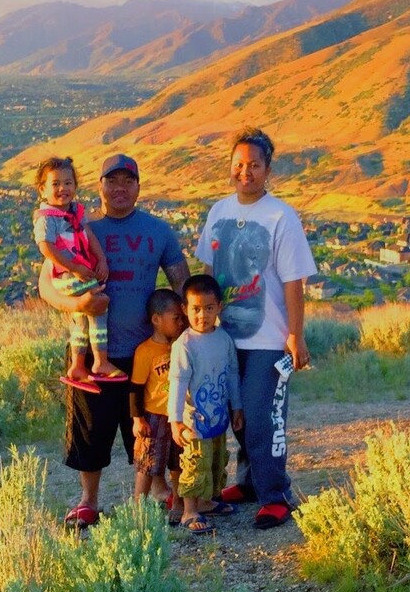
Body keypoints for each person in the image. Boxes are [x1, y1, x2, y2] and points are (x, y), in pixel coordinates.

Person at [38, 153, 190, 527]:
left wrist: (193, 334)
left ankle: (157, 489)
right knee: (90, 430)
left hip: (147, 353)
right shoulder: (75, 227)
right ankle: (89, 500)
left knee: (150, 429)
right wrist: (79, 302)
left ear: (138, 187)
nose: (120, 188)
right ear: (100, 186)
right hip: (92, 355)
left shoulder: (158, 232)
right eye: (112, 181)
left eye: (128, 181)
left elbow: (182, 285)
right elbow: (45, 287)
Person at [195, 128, 317, 529]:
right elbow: (209, 275)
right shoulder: (218, 212)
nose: (245, 172)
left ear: (268, 170)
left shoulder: (281, 215)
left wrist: (295, 335)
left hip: (269, 336)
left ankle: (274, 493)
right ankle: (248, 483)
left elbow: (293, 280)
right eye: (239, 165)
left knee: (264, 415)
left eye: (254, 165)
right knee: (239, 412)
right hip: (225, 335)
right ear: (230, 168)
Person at [33, 156, 124, 389]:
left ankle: (77, 366)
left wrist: (101, 259)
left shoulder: (74, 212)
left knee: (81, 319)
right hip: (67, 274)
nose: (63, 188)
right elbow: (46, 247)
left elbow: (88, 236)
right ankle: (101, 362)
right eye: (56, 184)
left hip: (75, 271)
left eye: (68, 183)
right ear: (42, 190)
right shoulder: (47, 218)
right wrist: (75, 268)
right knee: (98, 304)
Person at [168, 274, 244, 535]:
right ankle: (189, 510)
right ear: (185, 309)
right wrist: (175, 421)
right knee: (195, 463)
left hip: (219, 417)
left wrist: (237, 408)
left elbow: (232, 375)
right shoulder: (185, 345)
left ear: (219, 307)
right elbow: (177, 383)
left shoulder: (224, 339)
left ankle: (208, 501)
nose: (202, 315)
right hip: (194, 421)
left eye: (209, 308)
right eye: (196, 309)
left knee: (216, 460)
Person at [130, 289, 185, 515]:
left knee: (178, 462)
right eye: (176, 318)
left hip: (178, 415)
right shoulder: (145, 351)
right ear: (156, 319)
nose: (181, 322)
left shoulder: (181, 346)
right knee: (147, 463)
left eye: (182, 317)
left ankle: (179, 504)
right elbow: (135, 387)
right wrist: (137, 419)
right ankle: (138, 508)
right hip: (154, 416)